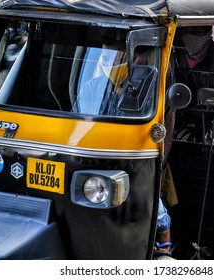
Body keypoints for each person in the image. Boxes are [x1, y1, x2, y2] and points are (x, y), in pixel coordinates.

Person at [73, 33, 174, 257]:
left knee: (153, 207)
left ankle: (163, 245)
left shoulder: (150, 93)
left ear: (138, 58)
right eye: (106, 57)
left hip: (129, 164)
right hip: (90, 161)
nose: (111, 64)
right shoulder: (91, 87)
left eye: (118, 57)